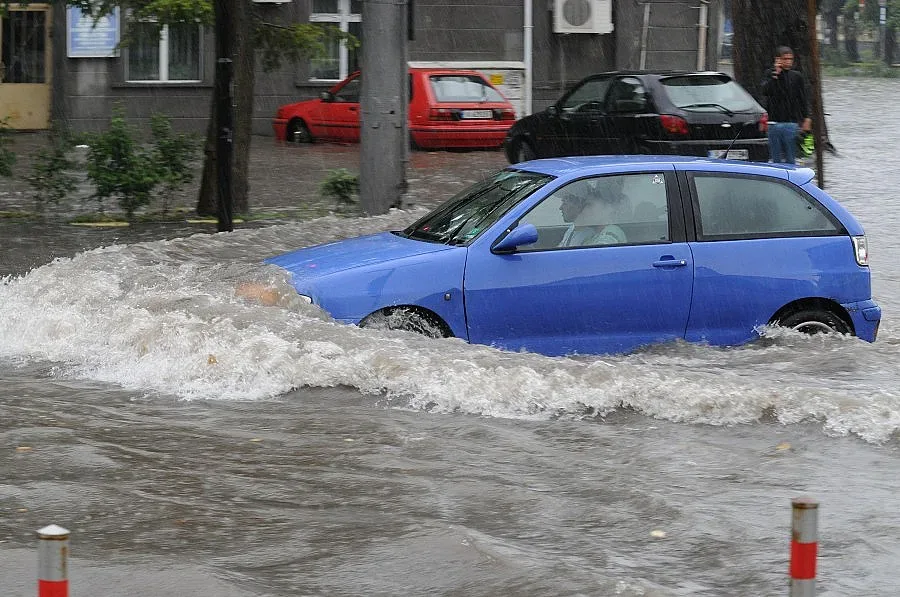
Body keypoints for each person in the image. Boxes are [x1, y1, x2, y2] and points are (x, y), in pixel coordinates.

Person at [760, 46, 811, 164]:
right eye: (785, 59)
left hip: (790, 122)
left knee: (791, 157)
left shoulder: (796, 76)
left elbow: (802, 98)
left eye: (790, 59)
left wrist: (806, 118)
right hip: (773, 122)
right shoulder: (770, 74)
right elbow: (765, 91)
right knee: (775, 158)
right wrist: (776, 75)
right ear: (778, 59)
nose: (788, 62)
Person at [558, 178, 628, 247]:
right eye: (584, 206)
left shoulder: (611, 233)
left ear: (608, 208)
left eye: (589, 205)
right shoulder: (595, 234)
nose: (583, 210)